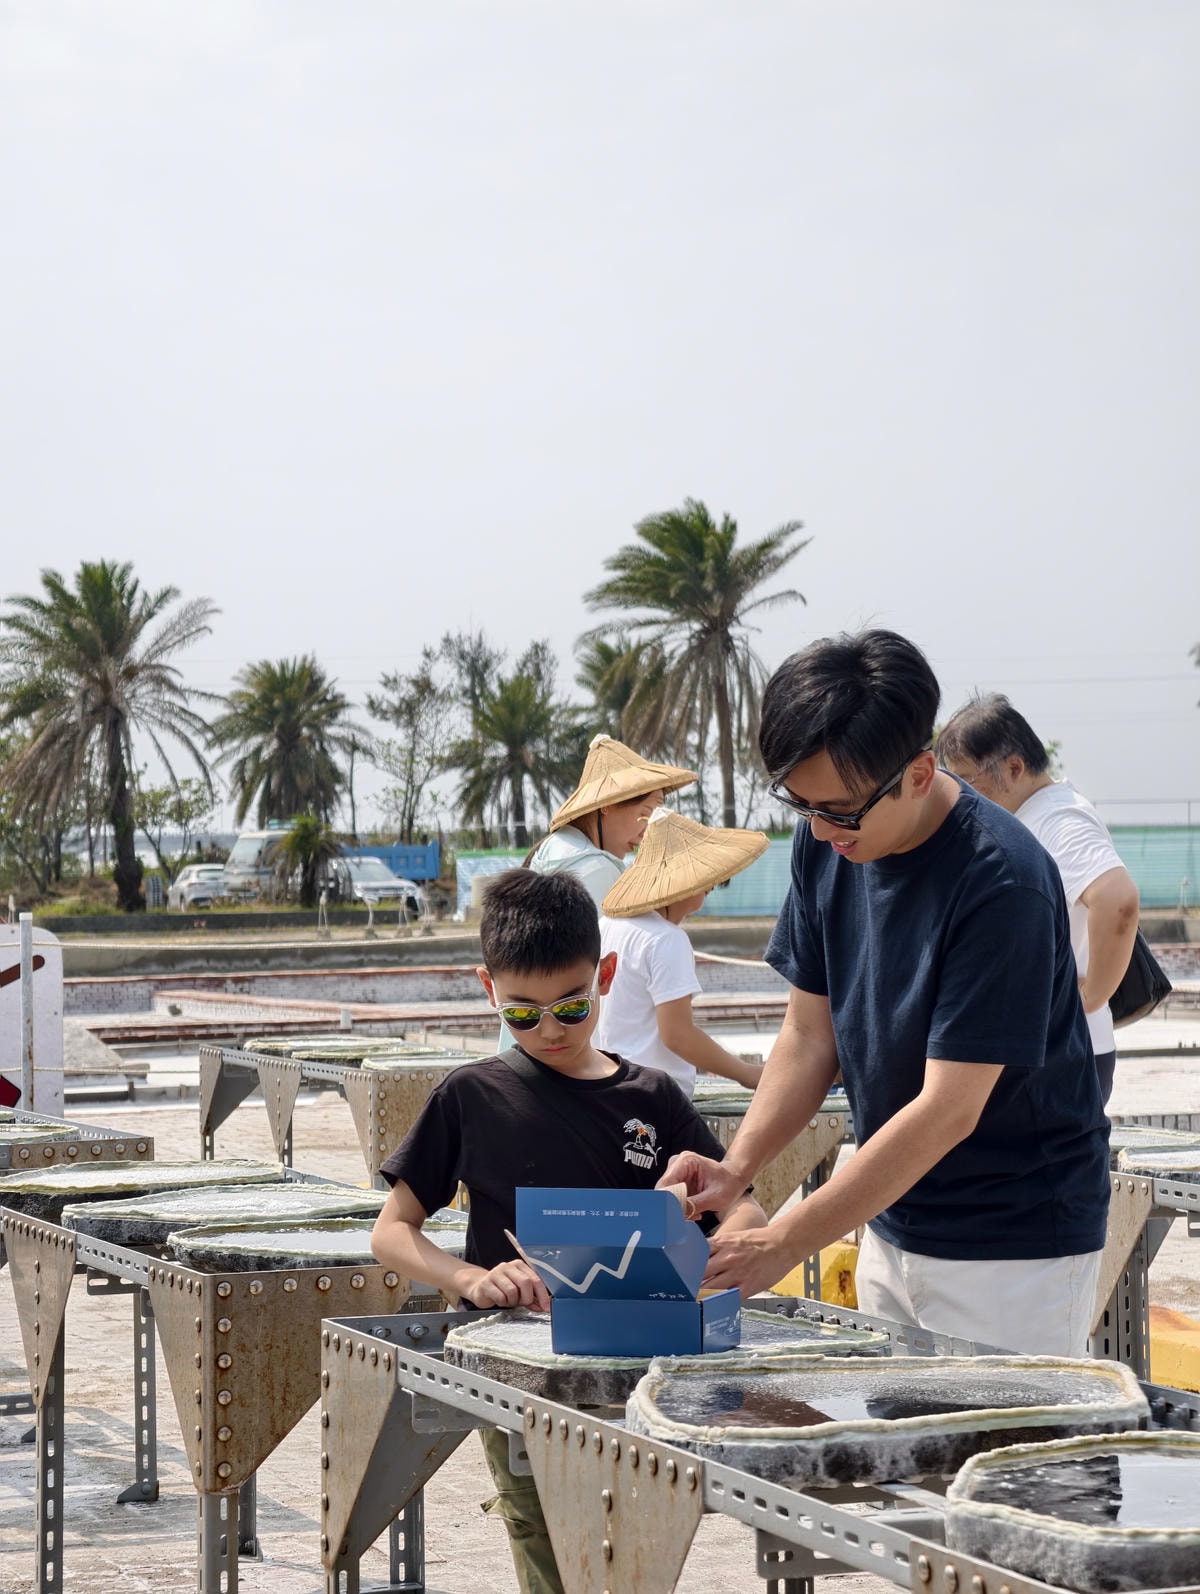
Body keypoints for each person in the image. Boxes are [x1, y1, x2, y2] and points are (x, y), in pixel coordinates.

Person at [659, 629, 1110, 1358]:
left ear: (920, 771)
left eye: (839, 809)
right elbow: (810, 1037)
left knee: (999, 1465)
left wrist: (785, 1242)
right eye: (800, 804)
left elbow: (946, 1111)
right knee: (900, 1465)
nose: (817, 828)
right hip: (889, 1217)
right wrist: (735, 1169)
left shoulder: (1003, 880)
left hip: (1014, 1246)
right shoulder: (827, 839)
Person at [371, 868, 764, 1594]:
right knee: (546, 1538)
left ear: (605, 975)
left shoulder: (653, 1096)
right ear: (487, 989)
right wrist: (470, 1279)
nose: (548, 1029)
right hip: (518, 1371)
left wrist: (717, 1243)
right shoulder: (470, 1095)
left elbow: (740, 1210)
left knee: (637, 1544)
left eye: (570, 1007)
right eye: (522, 1013)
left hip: (641, 1371)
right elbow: (392, 1232)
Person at [936, 693, 1140, 1104]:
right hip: (1053, 1049)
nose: (958, 795)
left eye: (965, 780)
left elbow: (1118, 900)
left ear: (1014, 767)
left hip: (1063, 1053)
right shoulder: (1034, 815)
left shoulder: (1058, 820)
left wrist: (1090, 997)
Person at [597, 807, 769, 1094]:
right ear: (686, 884)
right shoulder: (666, 939)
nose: (705, 894)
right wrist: (747, 1074)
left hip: (607, 1085)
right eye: (706, 887)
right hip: (653, 1096)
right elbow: (677, 1034)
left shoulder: (608, 925)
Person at [524, 733, 697, 905]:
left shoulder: (553, 849)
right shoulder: (597, 870)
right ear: (607, 805)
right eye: (644, 814)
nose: (645, 833)